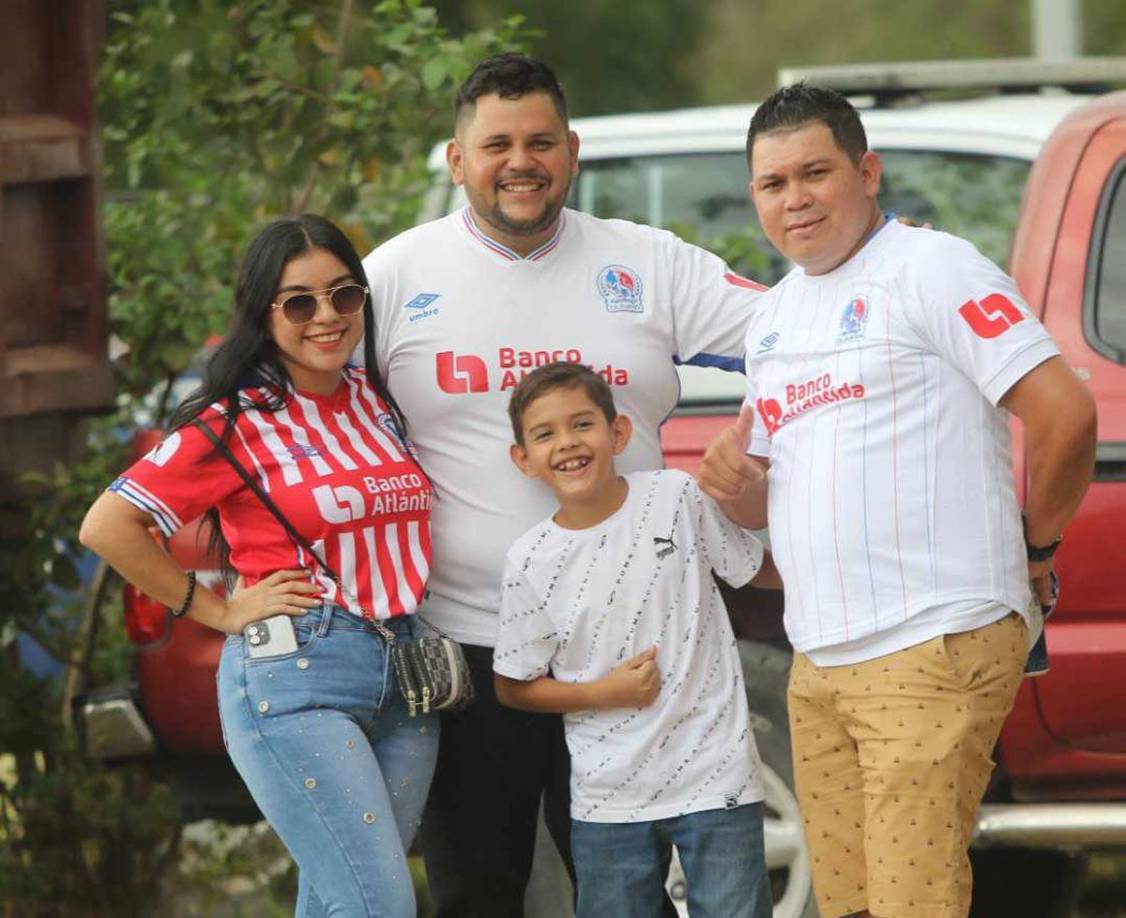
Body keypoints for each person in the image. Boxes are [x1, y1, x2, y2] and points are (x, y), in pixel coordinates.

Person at [361, 53, 766, 914]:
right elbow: (301, 411)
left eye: (542, 141)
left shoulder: (649, 263)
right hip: (469, 650)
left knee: (632, 900)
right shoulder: (390, 279)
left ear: (573, 151)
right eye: (497, 143)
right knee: (477, 896)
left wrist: (750, 441)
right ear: (455, 158)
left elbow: (797, 340)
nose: (522, 161)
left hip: (637, 651)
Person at [697, 84, 1097, 918]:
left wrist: (1037, 549)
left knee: (914, 903)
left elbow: (1065, 414)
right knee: (850, 907)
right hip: (820, 661)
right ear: (754, 198)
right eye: (774, 184)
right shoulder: (772, 321)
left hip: (932, 640)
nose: (795, 198)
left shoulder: (931, 267)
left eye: (816, 173)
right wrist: (741, 491)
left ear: (867, 171)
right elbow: (766, 503)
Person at [80, 215, 439, 918]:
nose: (327, 317)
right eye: (299, 302)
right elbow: (108, 525)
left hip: (407, 677)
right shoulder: (236, 420)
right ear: (262, 313)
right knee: (378, 905)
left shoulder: (375, 399)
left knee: (340, 899)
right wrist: (217, 611)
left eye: (344, 295)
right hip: (299, 679)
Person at [492, 361, 779, 918]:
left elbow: (753, 566)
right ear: (523, 459)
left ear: (618, 432)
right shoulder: (529, 559)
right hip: (609, 796)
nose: (567, 443)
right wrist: (601, 694)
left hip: (716, 775)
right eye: (545, 434)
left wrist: (850, 563)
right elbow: (513, 686)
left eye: (582, 424)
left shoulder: (675, 498)